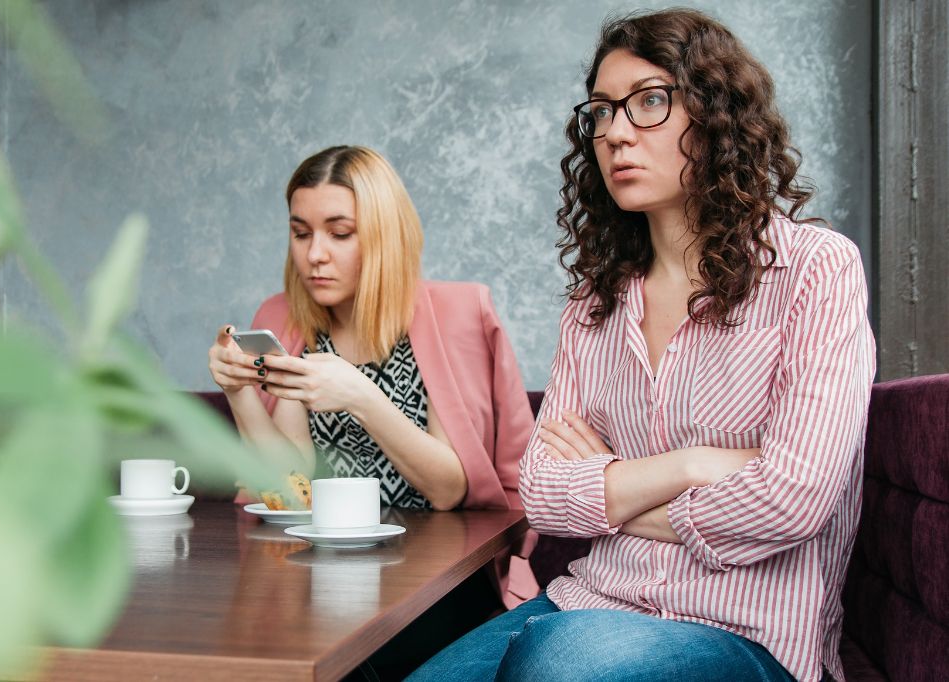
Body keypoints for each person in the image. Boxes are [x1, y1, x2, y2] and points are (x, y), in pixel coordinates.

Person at [409, 9, 875, 682]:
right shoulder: (595, 303)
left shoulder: (813, 269)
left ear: (716, 117)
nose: (616, 133)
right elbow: (541, 494)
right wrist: (691, 466)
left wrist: (615, 494)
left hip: (743, 634)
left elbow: (792, 499)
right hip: (584, 600)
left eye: (649, 101)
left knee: (558, 667)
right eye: (601, 112)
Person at [207, 145, 538, 607]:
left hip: (436, 576)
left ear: (385, 236)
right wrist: (238, 390)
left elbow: (448, 490)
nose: (314, 255)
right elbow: (290, 481)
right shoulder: (284, 317)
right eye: (301, 234)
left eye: (340, 233)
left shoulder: (456, 314)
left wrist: (361, 396)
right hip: (314, 569)